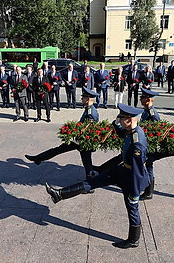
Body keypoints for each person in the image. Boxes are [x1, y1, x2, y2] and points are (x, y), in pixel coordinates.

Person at [45, 103, 149, 249]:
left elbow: (138, 170)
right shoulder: (131, 130)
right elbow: (122, 133)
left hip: (131, 178)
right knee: (94, 181)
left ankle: (133, 240)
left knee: (132, 207)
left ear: (130, 120)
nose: (119, 121)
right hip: (122, 170)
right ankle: (59, 195)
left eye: (121, 119)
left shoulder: (138, 143)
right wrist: (116, 124)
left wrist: (135, 192)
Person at [25, 87, 100, 178]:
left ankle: (91, 182)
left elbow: (87, 129)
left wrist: (74, 132)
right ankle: (38, 158)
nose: (81, 99)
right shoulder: (88, 109)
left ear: (88, 99)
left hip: (83, 142)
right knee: (60, 150)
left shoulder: (91, 113)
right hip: (79, 140)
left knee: (86, 162)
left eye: (83, 98)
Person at [139, 88, 160, 200]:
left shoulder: (152, 113)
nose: (140, 99)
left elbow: (156, 129)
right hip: (144, 143)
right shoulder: (146, 111)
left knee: (148, 166)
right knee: (147, 166)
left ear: (147, 99)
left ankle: (148, 192)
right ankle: (147, 189)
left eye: (142, 98)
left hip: (149, 145)